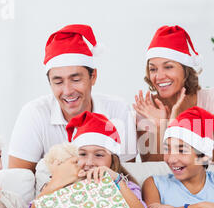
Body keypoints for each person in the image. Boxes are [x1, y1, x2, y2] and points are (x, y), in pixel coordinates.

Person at [8, 24, 137, 173]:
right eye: (58, 82)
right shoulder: (34, 114)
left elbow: (126, 175)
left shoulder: (118, 110)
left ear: (93, 76)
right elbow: (17, 181)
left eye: (75, 80)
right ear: (50, 82)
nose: (68, 91)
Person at [133, 25, 214, 169]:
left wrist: (180, 130)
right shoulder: (146, 109)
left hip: (210, 183)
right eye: (153, 69)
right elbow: (154, 170)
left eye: (168, 67)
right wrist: (162, 127)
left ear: (186, 70)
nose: (159, 76)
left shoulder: (211, 99)